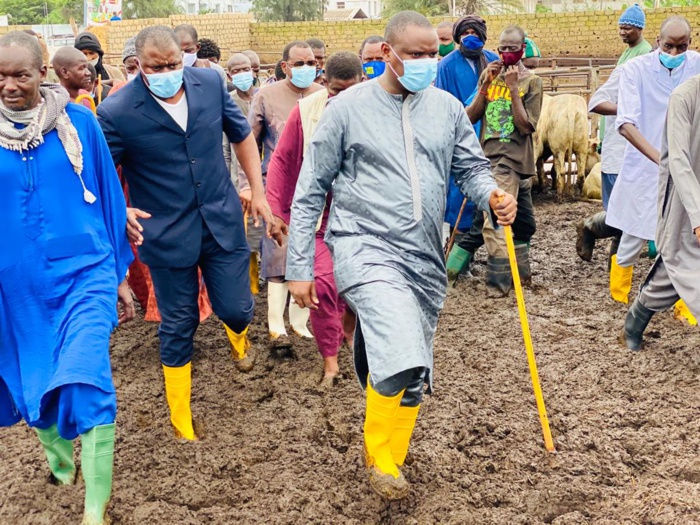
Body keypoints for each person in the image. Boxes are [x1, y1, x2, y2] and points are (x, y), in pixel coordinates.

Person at [285, 11, 516, 499]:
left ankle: (393, 452)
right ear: (387, 54)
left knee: (412, 364)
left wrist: (492, 194)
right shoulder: (347, 110)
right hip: (362, 245)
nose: (427, 62)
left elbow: (470, 169)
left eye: (433, 53)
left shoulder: (448, 110)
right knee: (402, 341)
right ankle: (380, 459)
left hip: (424, 254)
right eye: (416, 54)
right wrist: (299, 267)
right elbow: (309, 191)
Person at [97, 26, 273, 442]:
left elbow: (242, 135)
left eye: (174, 63)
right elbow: (100, 173)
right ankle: (182, 422)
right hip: (165, 232)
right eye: (157, 67)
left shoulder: (211, 83)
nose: (168, 72)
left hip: (221, 220)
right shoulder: (118, 111)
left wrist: (257, 190)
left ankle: (239, 339)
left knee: (237, 308)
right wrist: (118, 209)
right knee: (179, 324)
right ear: (139, 65)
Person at [0, 31, 134, 525]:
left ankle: (95, 510)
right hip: (15, 284)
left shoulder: (79, 122)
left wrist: (119, 274)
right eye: (0, 76)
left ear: (43, 74)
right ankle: (59, 459)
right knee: (28, 377)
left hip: (84, 272)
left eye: (20, 74)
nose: (9, 85)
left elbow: (107, 196)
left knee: (87, 375)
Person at [266, 52, 363, 386]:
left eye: (351, 91)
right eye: (336, 91)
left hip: (364, 219)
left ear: (363, 82)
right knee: (322, 284)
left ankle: (347, 328)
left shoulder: (380, 108)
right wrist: (276, 210)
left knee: (354, 285)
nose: (343, 99)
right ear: (325, 83)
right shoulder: (307, 111)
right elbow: (282, 160)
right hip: (318, 218)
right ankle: (331, 362)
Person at [606, 16, 700, 308]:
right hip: (645, 165)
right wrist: (662, 159)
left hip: (687, 166)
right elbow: (626, 123)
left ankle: (685, 305)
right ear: (658, 42)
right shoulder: (635, 69)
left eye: (681, 47)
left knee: (685, 238)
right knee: (633, 233)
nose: (674, 54)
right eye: (669, 46)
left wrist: (679, 161)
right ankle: (619, 296)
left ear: (690, 43)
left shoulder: (697, 66)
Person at [243, 40, 323, 343]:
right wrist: (248, 186)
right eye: (299, 63)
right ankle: (276, 325)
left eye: (311, 62)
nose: (306, 68)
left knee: (310, 251)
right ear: (285, 66)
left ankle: (300, 323)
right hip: (276, 186)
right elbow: (248, 143)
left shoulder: (322, 95)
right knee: (277, 252)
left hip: (316, 187)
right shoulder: (265, 96)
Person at [620, 75, 700, 350]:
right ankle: (635, 320)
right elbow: (678, 160)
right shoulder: (685, 98)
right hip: (684, 200)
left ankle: (634, 321)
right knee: (678, 264)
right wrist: (698, 216)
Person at [464, 25, 543, 296]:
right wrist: (485, 86)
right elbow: (471, 116)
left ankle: (521, 277)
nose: (507, 53)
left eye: (513, 48)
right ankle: (497, 286)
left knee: (524, 224)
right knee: (495, 221)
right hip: (496, 159)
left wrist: (511, 88)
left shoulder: (532, 82)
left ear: (522, 49)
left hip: (520, 161)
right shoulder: (490, 75)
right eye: (503, 48)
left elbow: (526, 126)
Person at [576, 3, 653, 263]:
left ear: (640, 29)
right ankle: (590, 227)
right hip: (622, 148)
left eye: (627, 27)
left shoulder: (641, 55)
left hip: (637, 149)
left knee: (631, 210)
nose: (622, 32)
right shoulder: (634, 61)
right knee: (623, 211)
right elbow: (600, 100)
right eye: (620, 27)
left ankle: (617, 267)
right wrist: (629, 112)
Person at [435, 15, 499, 106]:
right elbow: (441, 101)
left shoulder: (493, 59)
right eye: (465, 33)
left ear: (481, 35)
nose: (470, 37)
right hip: (460, 118)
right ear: (459, 37)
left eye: (474, 33)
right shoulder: (446, 65)